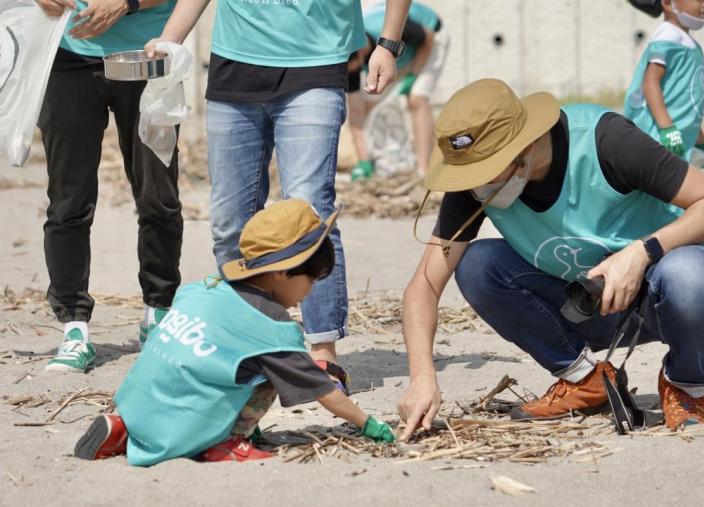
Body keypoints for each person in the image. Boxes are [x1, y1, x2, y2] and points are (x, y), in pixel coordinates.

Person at [397, 79, 704, 440]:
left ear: (523, 146)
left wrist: (642, 252)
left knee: (691, 275)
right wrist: (422, 378)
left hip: (665, 297)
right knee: (478, 264)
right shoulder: (476, 184)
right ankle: (586, 380)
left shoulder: (606, 141)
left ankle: (684, 385)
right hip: (585, 305)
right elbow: (423, 286)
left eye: (483, 173)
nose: (474, 186)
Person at [145, 0, 411, 390]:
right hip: (234, 67)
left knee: (309, 212)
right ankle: (248, 344)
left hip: (317, 64)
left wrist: (388, 44)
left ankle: (322, 352)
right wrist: (170, 39)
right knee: (229, 221)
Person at [73, 200, 395, 465]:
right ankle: (226, 441)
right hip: (186, 426)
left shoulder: (206, 287)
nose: (309, 292)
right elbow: (324, 391)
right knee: (273, 370)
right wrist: (367, 424)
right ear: (283, 272)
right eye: (310, 280)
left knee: (222, 365)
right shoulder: (272, 326)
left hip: (133, 403)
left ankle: (123, 428)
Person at [36, 0, 183, 373]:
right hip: (67, 56)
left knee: (158, 196)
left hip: (147, 55)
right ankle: (73, 328)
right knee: (68, 201)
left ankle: (158, 311)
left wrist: (127, 3)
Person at [347, 1, 448, 180]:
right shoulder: (349, 61)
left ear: (361, 54)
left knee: (416, 98)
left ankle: (423, 171)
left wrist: (413, 76)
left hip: (430, 37)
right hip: (399, 54)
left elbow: (428, 38)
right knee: (368, 106)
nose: (355, 72)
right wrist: (363, 160)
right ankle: (369, 161)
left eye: (355, 68)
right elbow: (356, 113)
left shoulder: (382, 30)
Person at [624, 0, 704, 170]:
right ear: (667, 2)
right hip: (661, 138)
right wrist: (667, 129)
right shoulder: (667, 36)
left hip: (679, 139)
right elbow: (650, 83)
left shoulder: (688, 43)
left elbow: (688, 102)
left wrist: (700, 141)